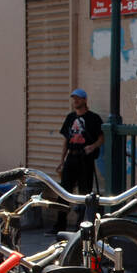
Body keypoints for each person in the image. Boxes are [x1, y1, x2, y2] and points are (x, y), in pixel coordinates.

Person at [54, 88, 104, 233]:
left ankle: (81, 225)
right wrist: (62, 161)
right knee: (63, 191)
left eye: (78, 98)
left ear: (84, 100)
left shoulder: (93, 118)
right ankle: (59, 225)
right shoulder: (70, 117)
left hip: (85, 158)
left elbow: (101, 137)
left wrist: (92, 147)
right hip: (72, 156)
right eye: (74, 98)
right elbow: (66, 140)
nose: (75, 101)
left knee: (84, 192)